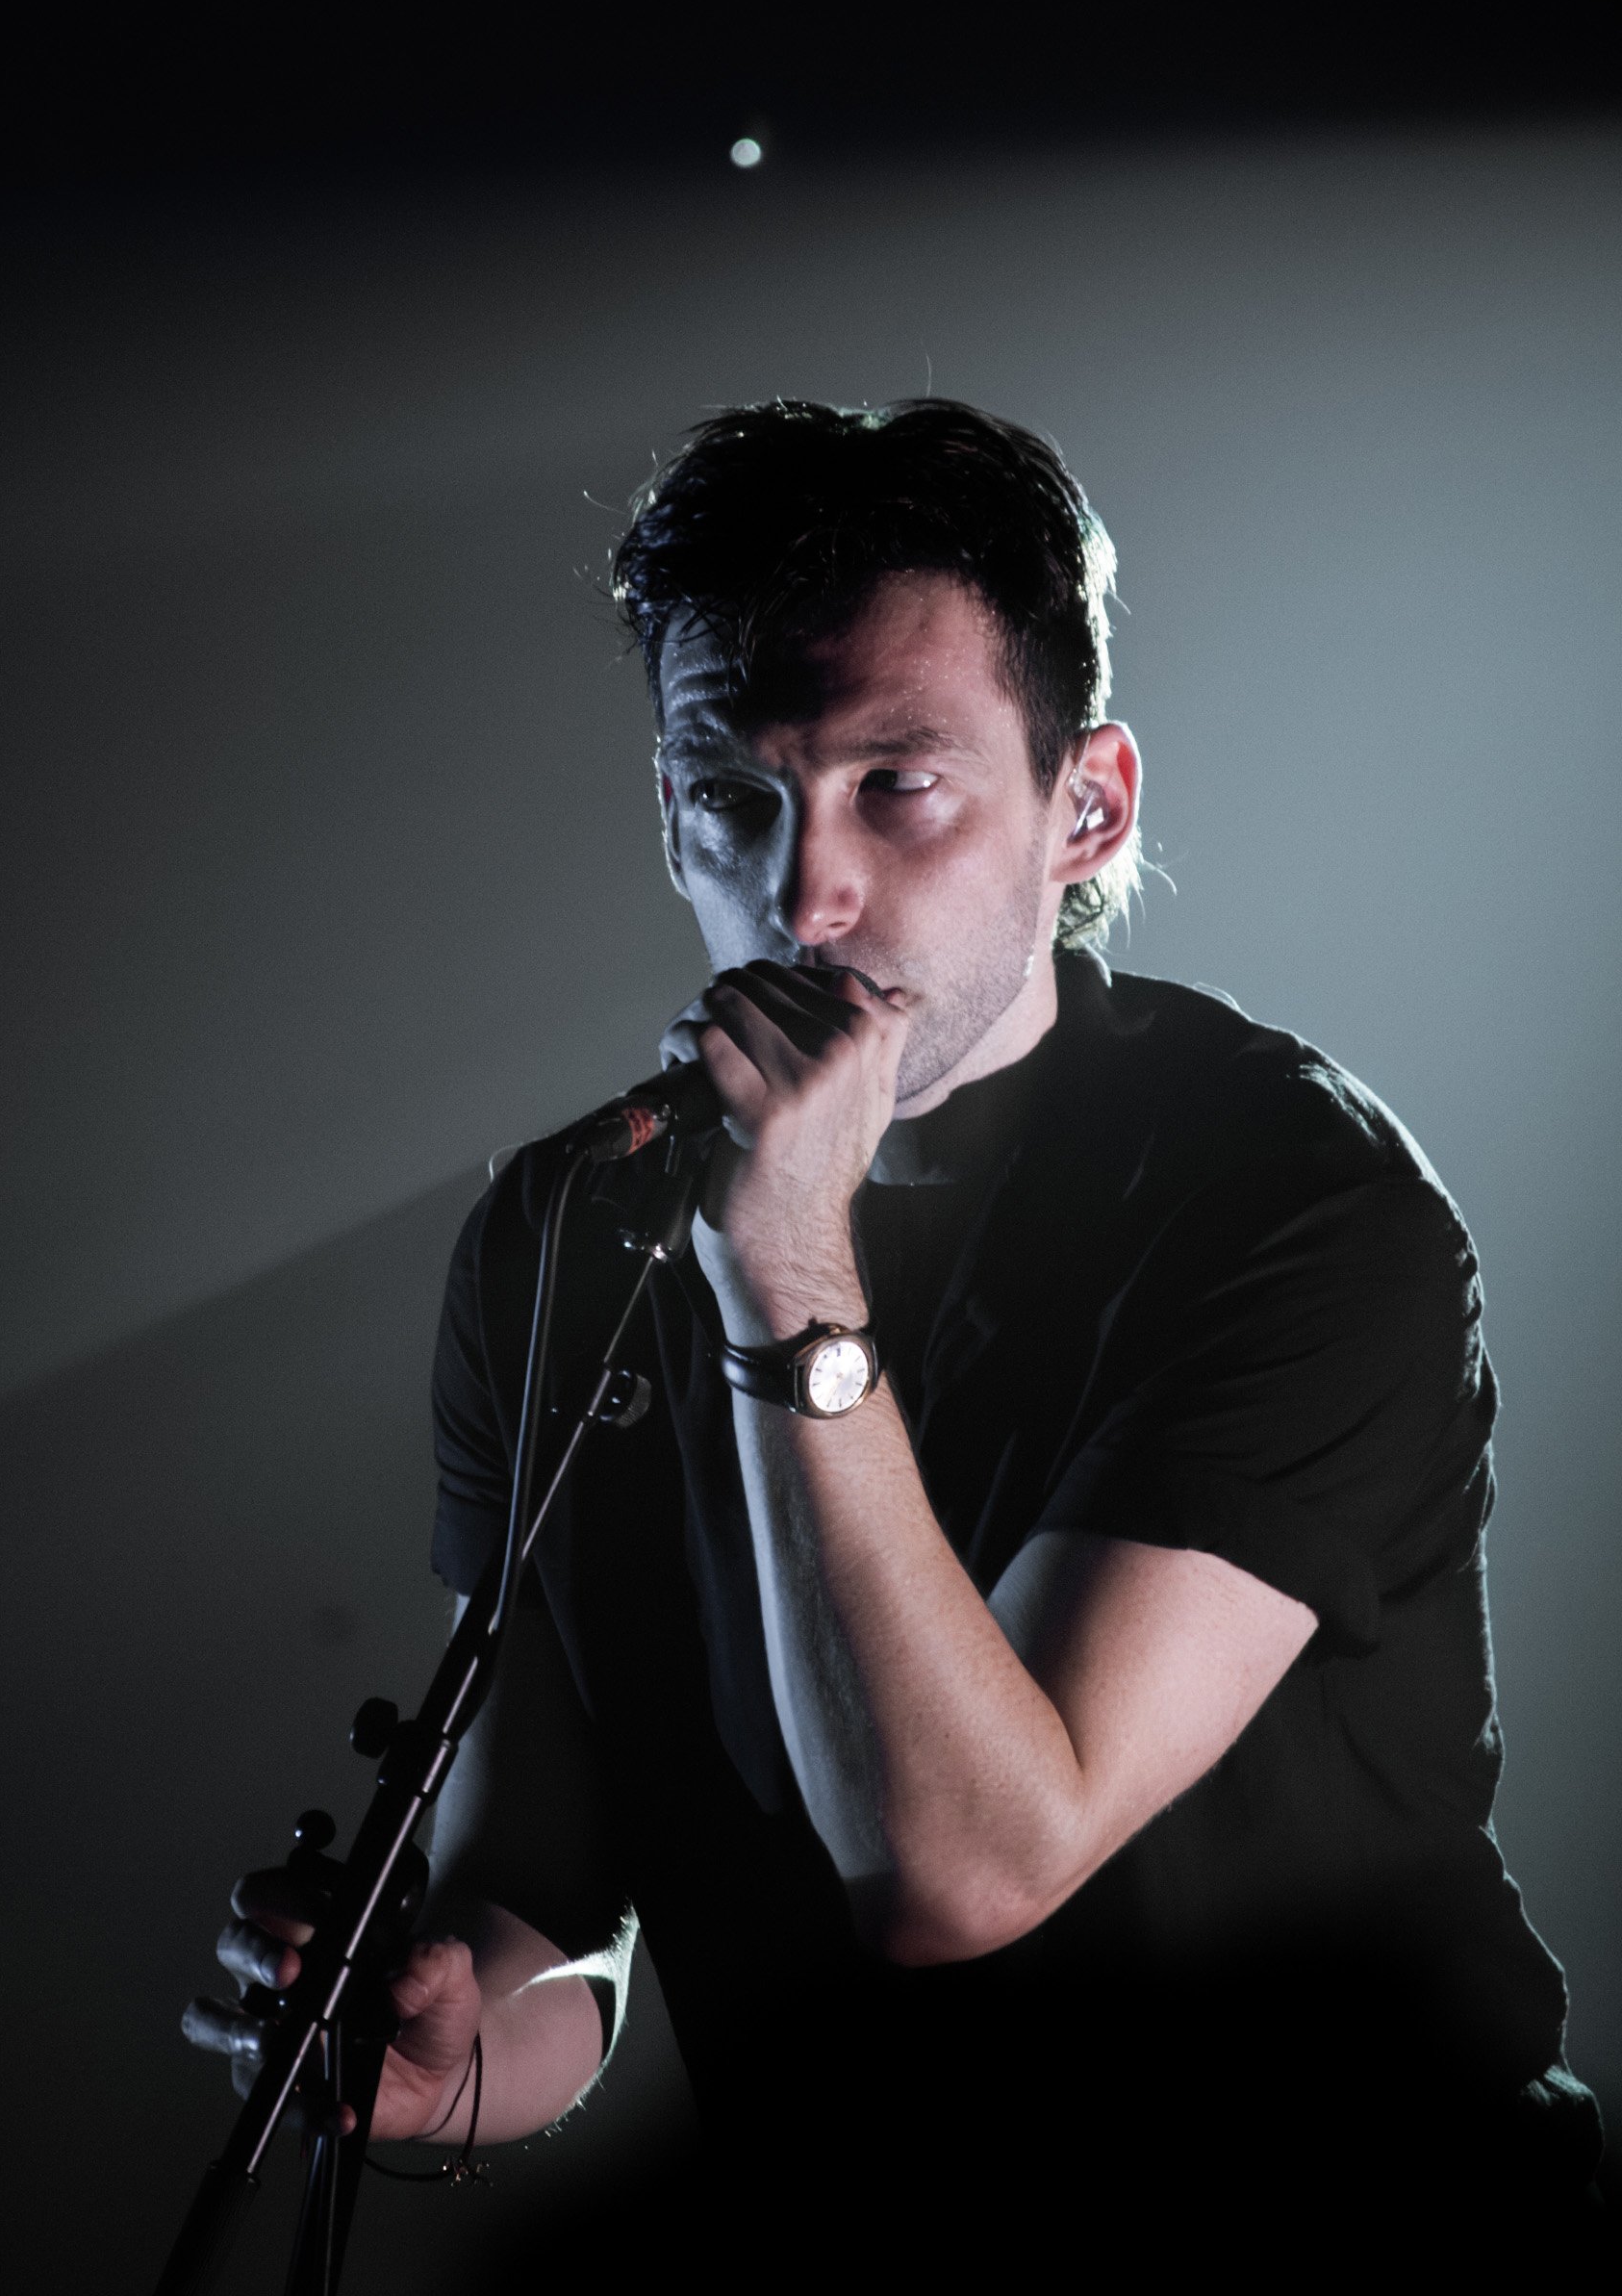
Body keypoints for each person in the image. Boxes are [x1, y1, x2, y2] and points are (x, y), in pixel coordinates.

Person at [190, 399, 1603, 2254]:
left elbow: (970, 1863)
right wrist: (436, 2056)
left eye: (897, 784)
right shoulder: (566, 1232)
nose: (803, 891)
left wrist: (788, 1273)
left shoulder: (1294, 1206)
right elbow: (545, 1908)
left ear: (1083, 803)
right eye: (736, 795)